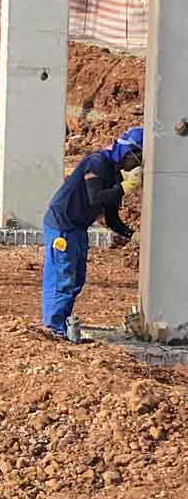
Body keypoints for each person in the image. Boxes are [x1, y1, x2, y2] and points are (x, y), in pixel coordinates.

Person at [40, 126, 143, 341]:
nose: (136, 166)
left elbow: (111, 218)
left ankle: (62, 325)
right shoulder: (97, 162)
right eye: (136, 159)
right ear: (127, 152)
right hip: (63, 224)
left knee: (76, 279)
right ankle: (54, 328)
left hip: (78, 227)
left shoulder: (114, 176)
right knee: (62, 278)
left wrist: (132, 235)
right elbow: (95, 199)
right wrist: (124, 187)